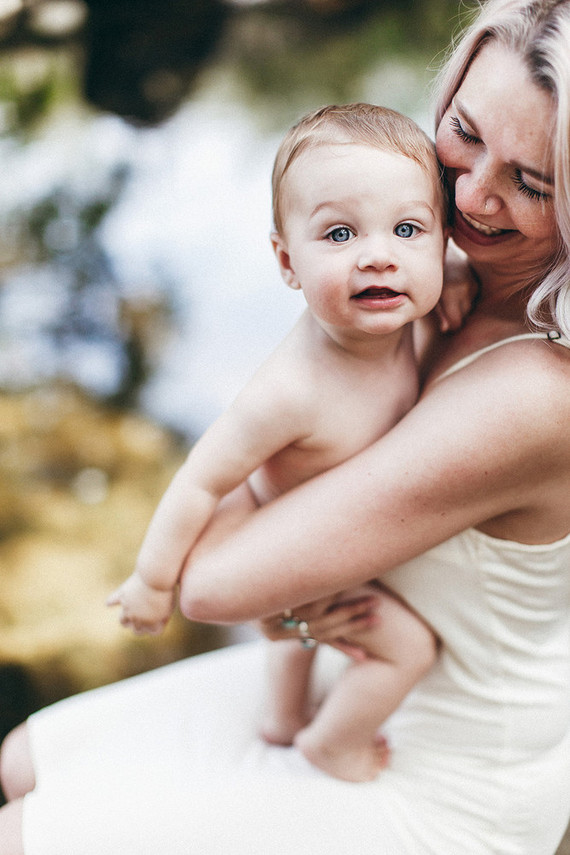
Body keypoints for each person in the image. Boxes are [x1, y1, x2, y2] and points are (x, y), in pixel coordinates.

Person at [1, 0, 570, 852]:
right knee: (24, 757)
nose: (471, 195)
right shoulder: (446, 271)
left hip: (439, 765)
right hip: (361, 657)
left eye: (534, 181)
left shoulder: (534, 393)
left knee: (25, 831)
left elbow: (211, 586)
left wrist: (280, 583)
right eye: (463, 132)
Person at [107, 102, 455, 783]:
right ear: (285, 259)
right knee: (407, 650)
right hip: (287, 553)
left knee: (297, 647)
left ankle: (283, 717)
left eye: (408, 228)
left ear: (442, 243)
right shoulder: (290, 390)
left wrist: (459, 283)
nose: (378, 254)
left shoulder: (405, 315)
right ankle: (332, 742)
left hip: (335, 538)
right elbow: (201, 478)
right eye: (339, 233)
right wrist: (152, 579)